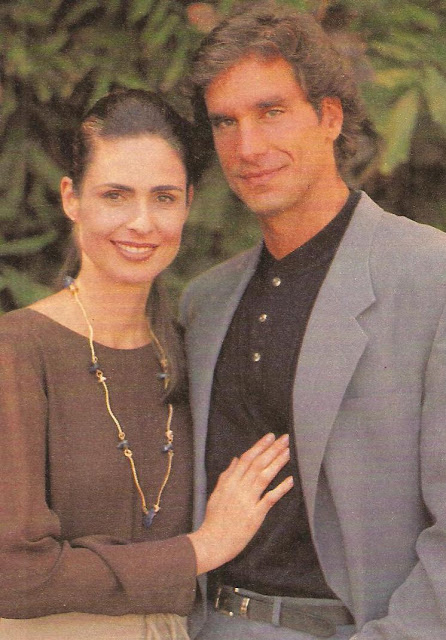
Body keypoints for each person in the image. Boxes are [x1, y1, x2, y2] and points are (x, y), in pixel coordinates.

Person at [179, 2, 446, 639]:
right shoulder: (203, 303)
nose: (247, 147)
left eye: (271, 111)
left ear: (329, 117)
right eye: (225, 122)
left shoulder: (430, 276)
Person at [0, 89, 294, 640]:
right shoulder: (17, 350)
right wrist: (201, 549)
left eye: (163, 197)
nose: (141, 222)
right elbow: (13, 575)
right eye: (115, 195)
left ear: (187, 204)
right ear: (71, 198)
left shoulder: (191, 353)